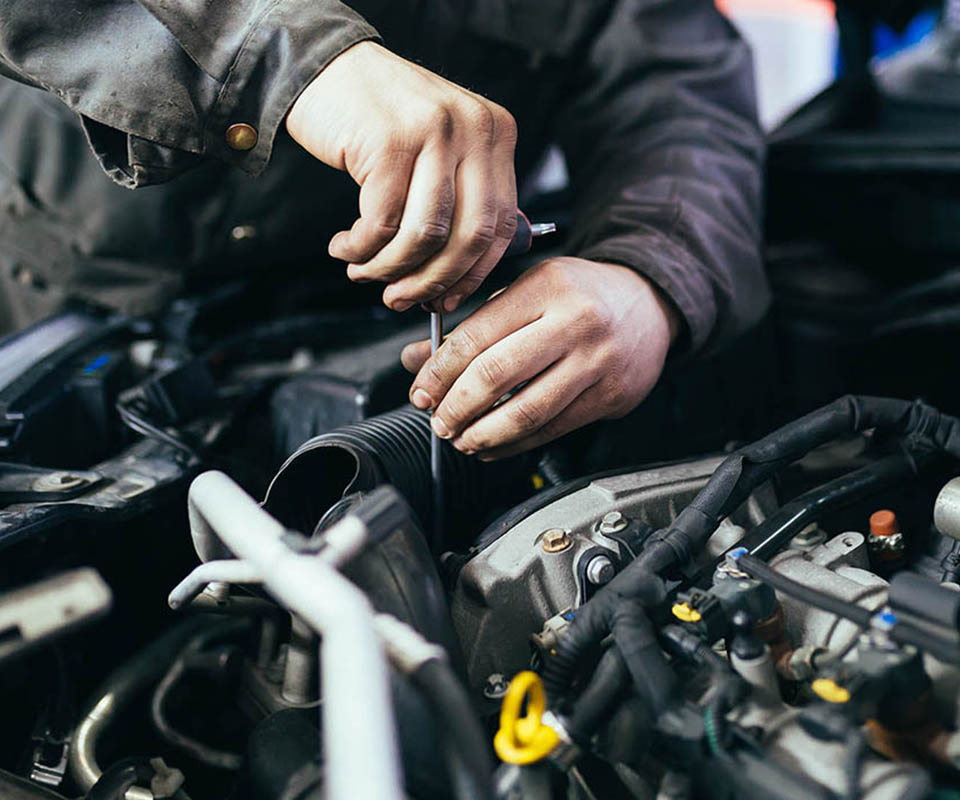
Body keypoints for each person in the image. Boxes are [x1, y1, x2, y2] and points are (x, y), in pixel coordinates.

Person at [0, 0, 768, 461]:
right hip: (52, 301)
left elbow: (675, 88)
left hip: (366, 322)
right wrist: (287, 57)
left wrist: (651, 275)